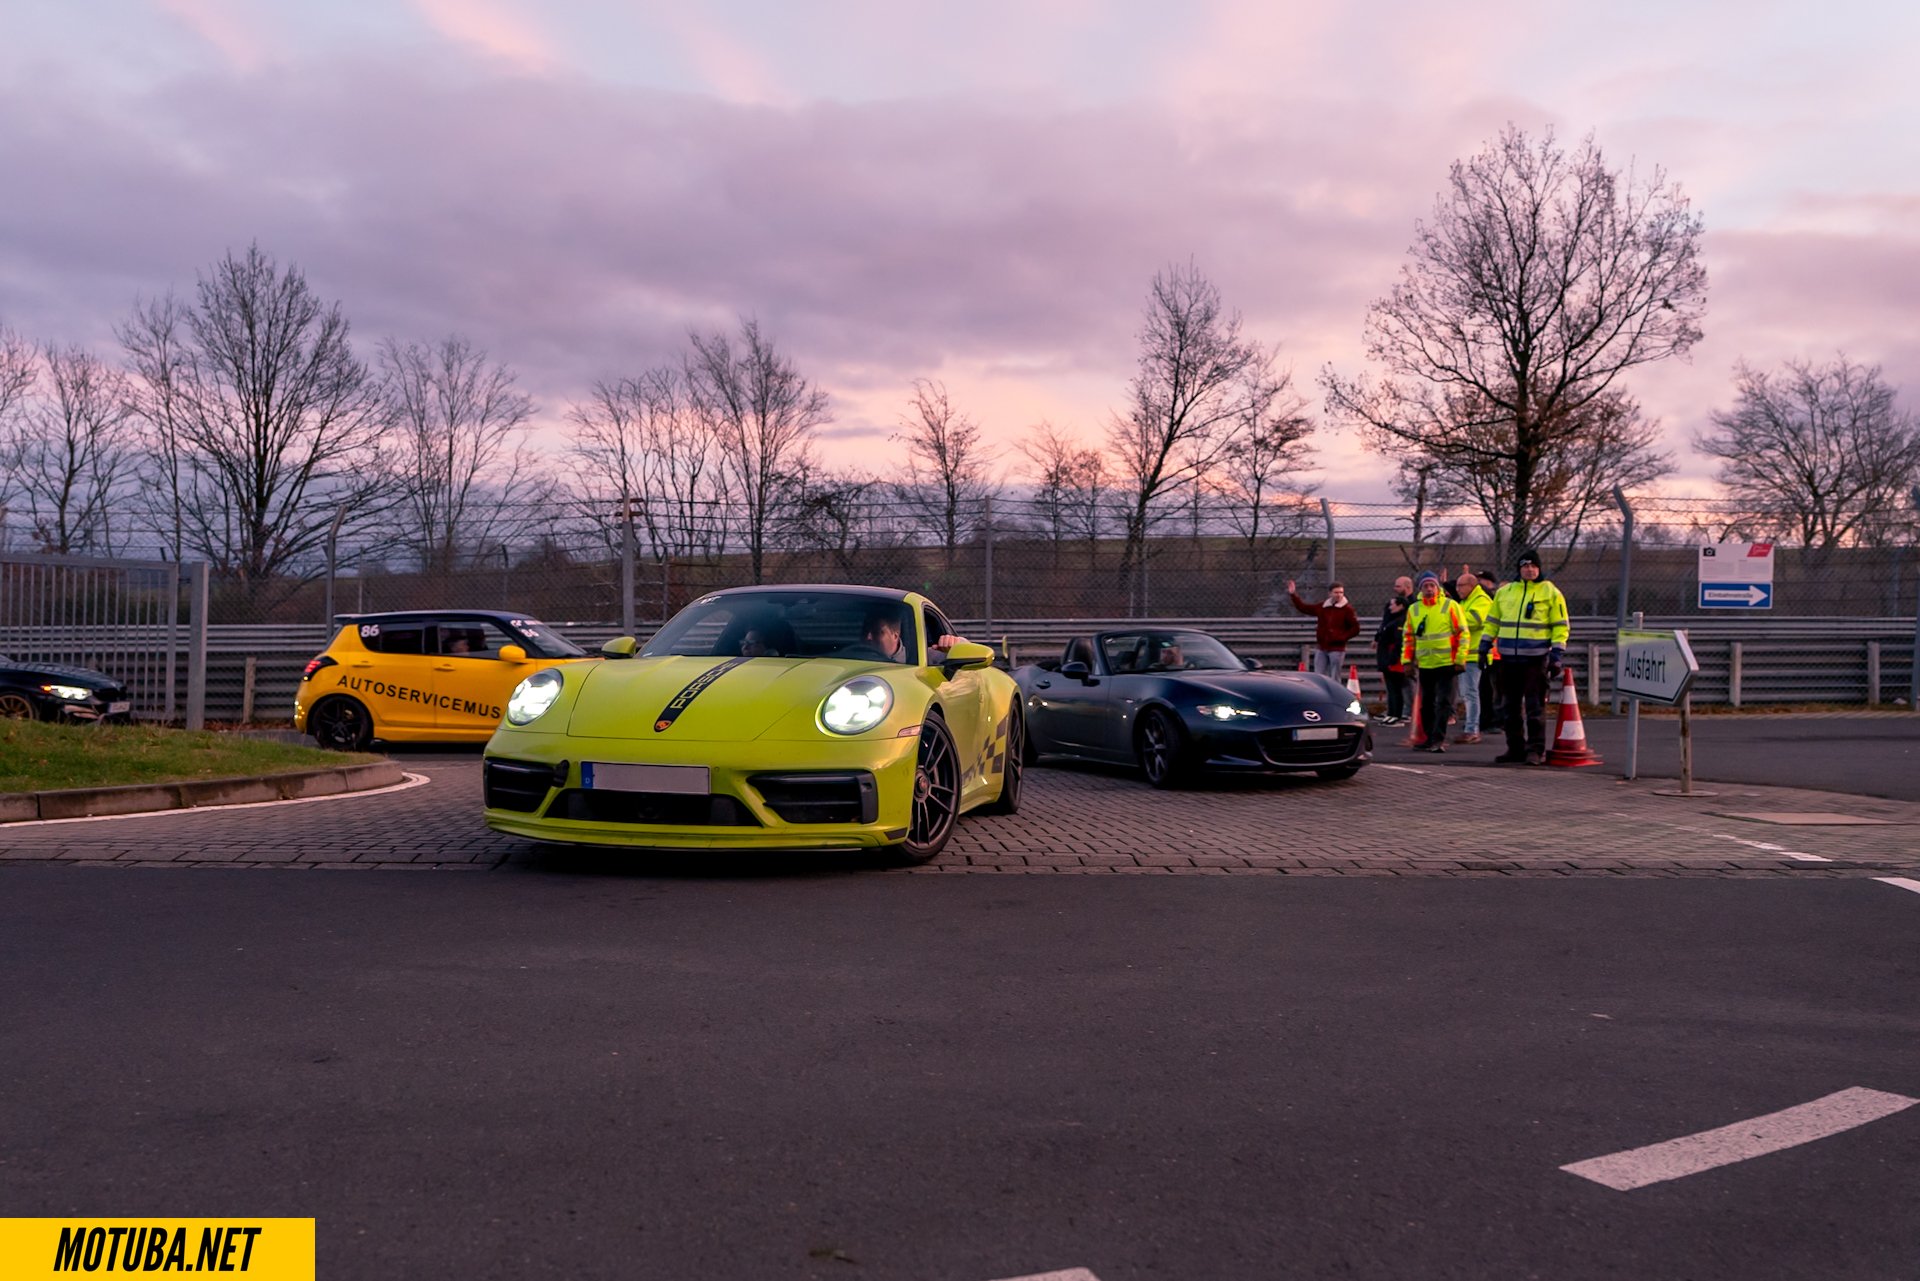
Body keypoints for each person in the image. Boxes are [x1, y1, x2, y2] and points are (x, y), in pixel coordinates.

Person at [1480, 547, 1570, 765]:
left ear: (1539, 568)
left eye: (1533, 566)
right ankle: (1515, 748)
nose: (1529, 570)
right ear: (1519, 569)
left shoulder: (1551, 593)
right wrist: (1483, 646)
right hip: (1508, 659)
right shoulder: (1505, 592)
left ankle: (1535, 750)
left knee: (1534, 707)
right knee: (1508, 708)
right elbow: (1492, 622)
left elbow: (1560, 626)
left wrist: (1557, 655)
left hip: (1535, 659)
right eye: (1525, 566)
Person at [1401, 571, 1468, 751]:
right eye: (1425, 586)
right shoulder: (1414, 609)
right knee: (1427, 704)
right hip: (1425, 664)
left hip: (1447, 664)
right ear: (1420, 588)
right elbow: (1408, 638)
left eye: (1432, 585)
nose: (1429, 589)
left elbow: (1462, 633)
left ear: (1438, 587)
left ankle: (1438, 739)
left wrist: (1460, 659)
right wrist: (1407, 661)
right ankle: (1430, 738)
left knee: (1444, 703)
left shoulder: (1450, 606)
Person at [1287, 579, 1361, 679]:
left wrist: (1341, 638)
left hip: (1337, 649)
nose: (1339, 595)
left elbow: (1355, 628)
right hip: (1322, 647)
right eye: (1336, 592)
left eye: (1341, 592)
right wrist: (1293, 594)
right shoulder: (1323, 607)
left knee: (1334, 676)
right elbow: (1304, 608)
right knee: (1319, 676)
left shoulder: (1347, 609)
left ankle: (1335, 694)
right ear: (1330, 593)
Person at [1453, 568, 1494, 744]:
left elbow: (1474, 621)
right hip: (1466, 655)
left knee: (1470, 693)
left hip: (1474, 655)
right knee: (1468, 693)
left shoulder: (1481, 600)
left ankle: (1472, 729)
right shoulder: (1467, 601)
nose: (1457, 589)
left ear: (1471, 585)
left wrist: (1452, 619)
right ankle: (1470, 727)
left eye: (1460, 586)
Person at [1373, 576, 1414, 725]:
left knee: (1397, 688)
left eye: (1393, 605)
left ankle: (1397, 714)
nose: (1390, 608)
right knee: (1392, 688)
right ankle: (1392, 712)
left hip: (1394, 660)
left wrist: (1392, 659)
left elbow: (1398, 642)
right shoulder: (1391, 619)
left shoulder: (1400, 621)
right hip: (1388, 659)